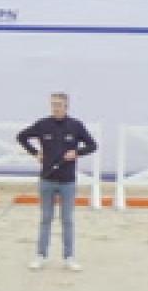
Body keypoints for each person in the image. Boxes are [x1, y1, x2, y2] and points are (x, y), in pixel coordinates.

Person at [17, 92, 98, 272]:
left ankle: (69, 257)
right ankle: (41, 255)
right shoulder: (43, 124)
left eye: (59, 105)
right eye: (53, 104)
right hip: (47, 180)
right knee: (46, 218)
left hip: (67, 181)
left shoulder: (75, 125)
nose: (56, 108)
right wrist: (35, 152)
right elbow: (21, 136)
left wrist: (77, 153)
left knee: (67, 219)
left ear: (66, 106)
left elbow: (93, 145)